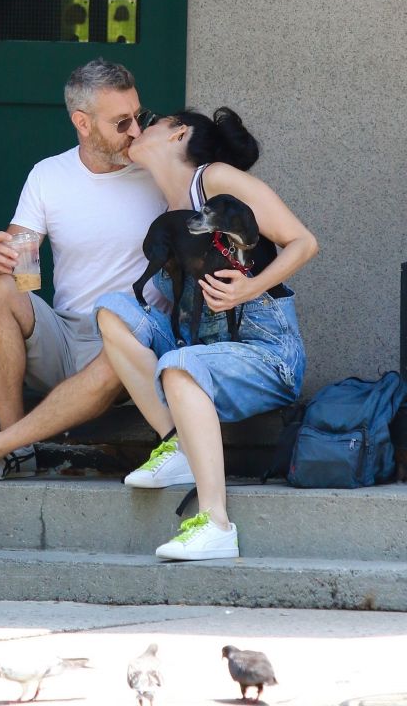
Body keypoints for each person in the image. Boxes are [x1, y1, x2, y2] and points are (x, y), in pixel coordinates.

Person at [94, 107, 318, 561]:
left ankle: (216, 524)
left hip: (264, 351)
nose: (138, 127)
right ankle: (176, 444)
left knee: (179, 364)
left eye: (149, 119)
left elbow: (303, 241)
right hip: (198, 350)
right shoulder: (169, 209)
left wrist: (249, 287)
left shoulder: (215, 179)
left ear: (179, 133)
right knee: (113, 311)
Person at [0, 58, 167, 481]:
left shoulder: (157, 173)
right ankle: (15, 445)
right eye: (122, 121)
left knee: (126, 347)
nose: (135, 130)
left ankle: (3, 447)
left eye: (139, 116)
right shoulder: (49, 175)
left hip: (132, 341)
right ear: (83, 122)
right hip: (66, 336)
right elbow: (24, 275)